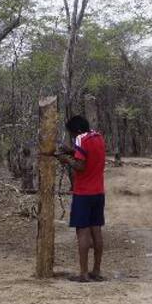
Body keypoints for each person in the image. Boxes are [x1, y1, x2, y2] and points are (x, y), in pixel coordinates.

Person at [54, 115, 106, 282]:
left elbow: (81, 166)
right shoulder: (98, 137)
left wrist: (66, 160)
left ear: (76, 131)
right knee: (96, 231)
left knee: (82, 231)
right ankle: (96, 270)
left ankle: (83, 273)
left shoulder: (80, 139)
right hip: (98, 192)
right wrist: (72, 152)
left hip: (83, 193)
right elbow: (90, 157)